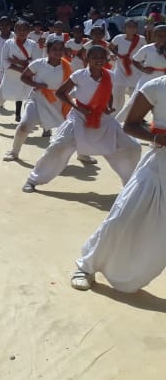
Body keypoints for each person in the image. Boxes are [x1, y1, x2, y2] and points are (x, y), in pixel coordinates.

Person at [70, 75, 166, 292]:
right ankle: (86, 266)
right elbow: (130, 126)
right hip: (157, 165)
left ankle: (136, 272)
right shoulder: (156, 87)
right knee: (122, 218)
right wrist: (158, 139)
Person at [21, 45, 141, 193]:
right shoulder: (79, 75)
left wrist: (108, 107)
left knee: (132, 147)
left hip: (102, 119)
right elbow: (60, 93)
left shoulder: (111, 75)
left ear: (106, 59)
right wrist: (78, 108)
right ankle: (33, 180)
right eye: (95, 57)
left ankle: (131, 185)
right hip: (78, 118)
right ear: (87, 59)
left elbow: (107, 93)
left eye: (102, 57)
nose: (99, 60)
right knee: (57, 147)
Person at [3, 38, 71, 161]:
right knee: (24, 126)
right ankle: (14, 152)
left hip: (57, 103)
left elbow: (71, 85)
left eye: (61, 49)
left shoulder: (67, 66)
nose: (58, 52)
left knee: (65, 133)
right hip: (37, 99)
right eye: (54, 49)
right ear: (48, 50)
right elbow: (24, 77)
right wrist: (38, 85)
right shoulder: (38, 63)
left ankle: (79, 155)